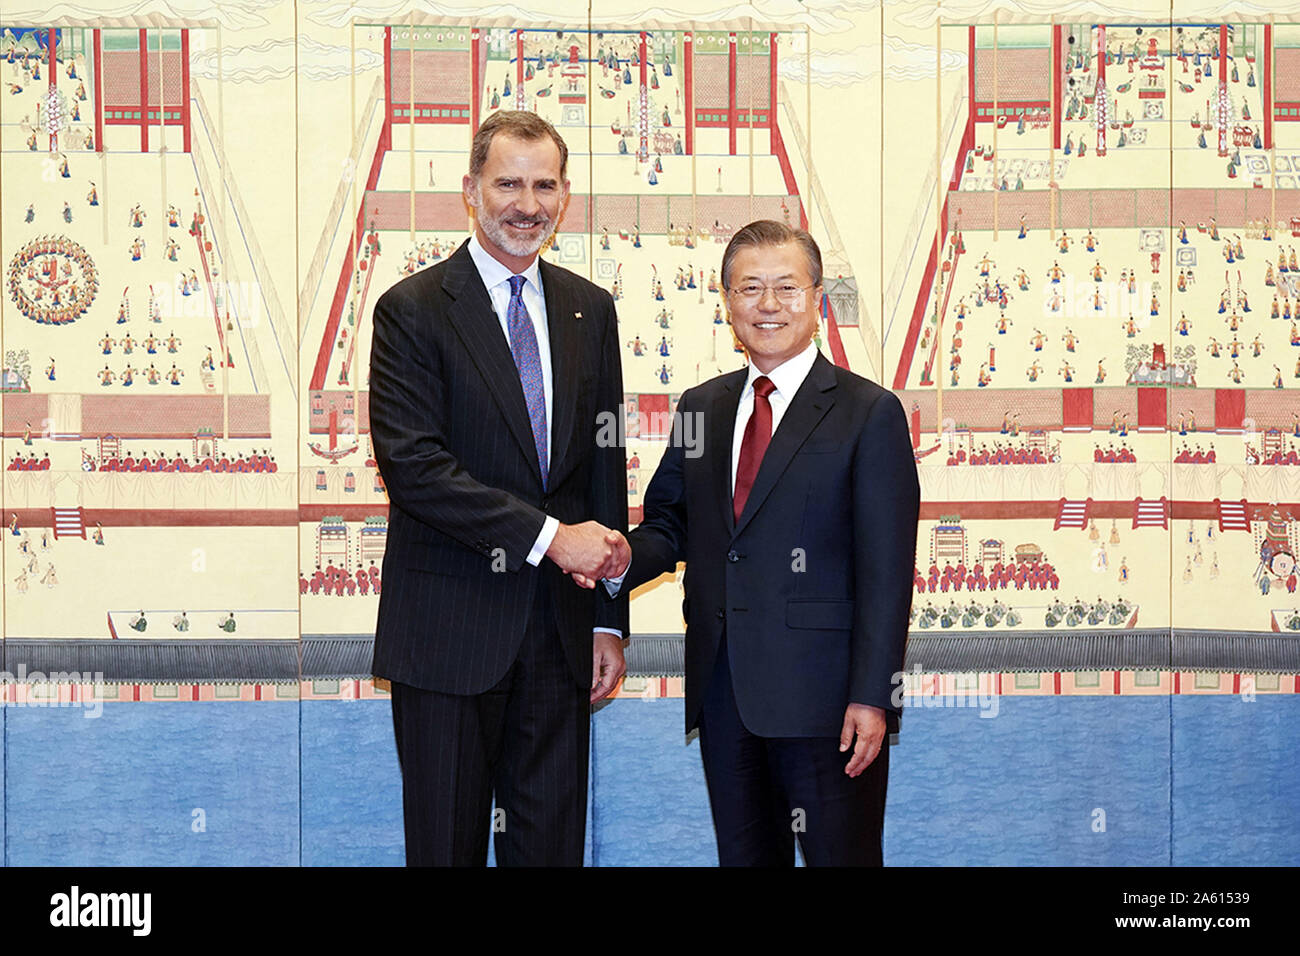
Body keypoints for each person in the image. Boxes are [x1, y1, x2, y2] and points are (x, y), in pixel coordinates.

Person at [591, 221, 919, 866]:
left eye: (787, 288)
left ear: (818, 300)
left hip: (829, 707)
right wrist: (618, 560)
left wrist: (872, 695)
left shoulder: (869, 412)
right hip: (725, 696)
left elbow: (888, 573)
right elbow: (669, 524)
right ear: (727, 302)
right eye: (751, 289)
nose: (769, 305)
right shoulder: (700, 407)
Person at [368, 111, 631, 866]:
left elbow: (603, 467)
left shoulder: (592, 310)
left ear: (565, 194)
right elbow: (416, 469)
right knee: (446, 851)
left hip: (560, 639)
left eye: (543, 184)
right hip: (448, 638)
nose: (526, 203)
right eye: (508, 182)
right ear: (470, 191)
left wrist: (608, 618)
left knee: (550, 853)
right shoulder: (412, 311)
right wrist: (553, 539)